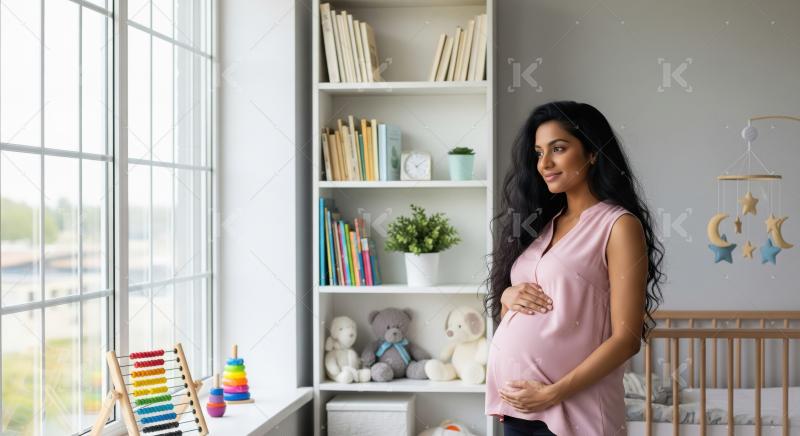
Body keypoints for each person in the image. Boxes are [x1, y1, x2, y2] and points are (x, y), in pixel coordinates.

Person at [483, 101, 665, 435]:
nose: (545, 163)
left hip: (572, 409)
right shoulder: (543, 223)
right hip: (518, 407)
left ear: (592, 153)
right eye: (538, 153)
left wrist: (552, 393)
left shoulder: (618, 226)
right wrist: (509, 294)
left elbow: (626, 339)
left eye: (559, 149)